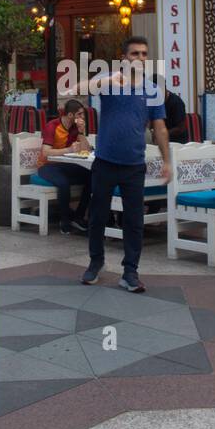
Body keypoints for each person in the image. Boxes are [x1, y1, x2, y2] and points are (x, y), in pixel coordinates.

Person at [82, 37, 171, 293]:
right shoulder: (110, 82)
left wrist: (167, 160)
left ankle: (130, 271)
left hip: (134, 165)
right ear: (124, 57)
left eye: (144, 54)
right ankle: (95, 262)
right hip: (105, 162)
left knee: (134, 221)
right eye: (135, 53)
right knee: (98, 215)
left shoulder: (153, 90)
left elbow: (160, 127)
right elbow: (81, 88)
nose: (141, 58)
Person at [37, 98, 91, 235]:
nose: (82, 117)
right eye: (79, 114)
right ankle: (65, 220)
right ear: (70, 115)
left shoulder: (75, 128)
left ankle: (78, 217)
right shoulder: (52, 126)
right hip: (47, 166)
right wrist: (68, 150)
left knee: (92, 177)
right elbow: (45, 152)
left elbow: (85, 150)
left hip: (65, 165)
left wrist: (81, 132)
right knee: (63, 183)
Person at [157, 77, 189, 143]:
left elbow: (180, 128)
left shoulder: (176, 102)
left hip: (177, 142)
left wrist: (162, 134)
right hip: (160, 140)